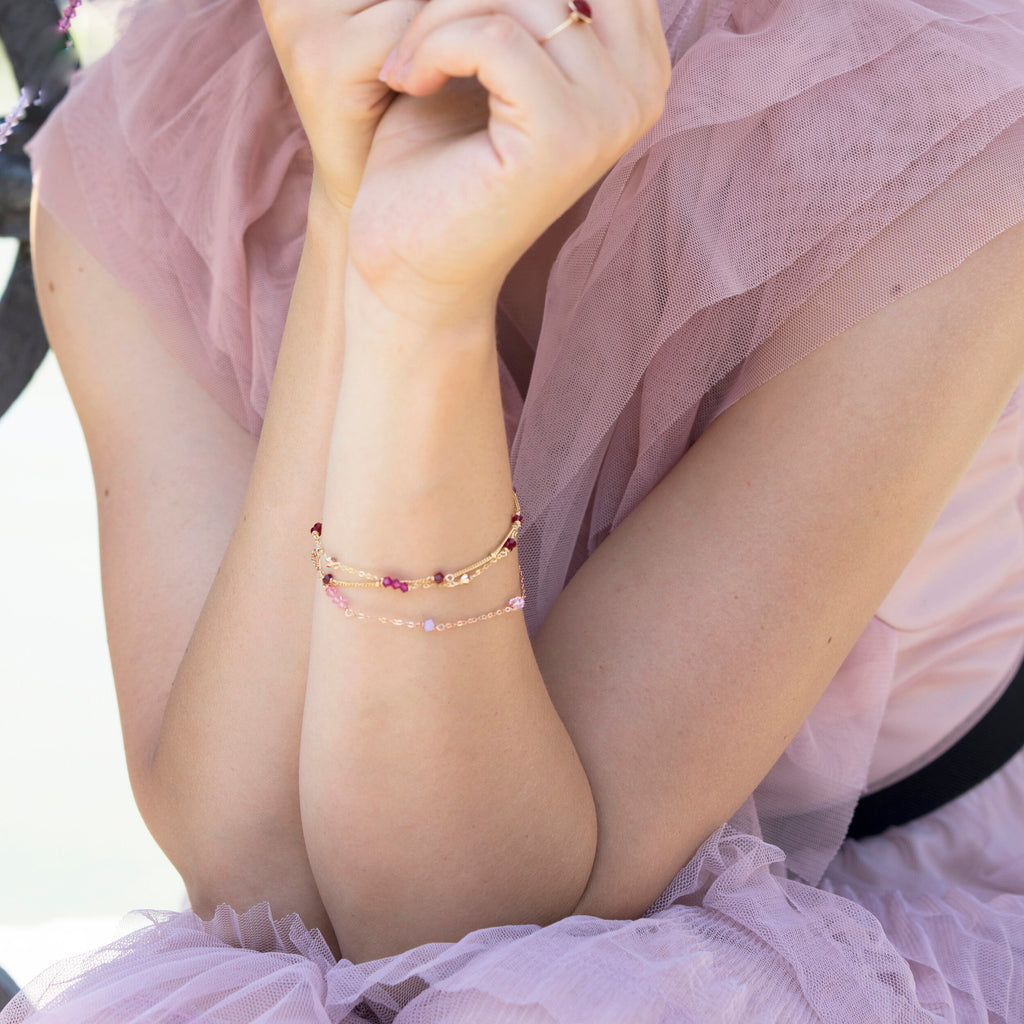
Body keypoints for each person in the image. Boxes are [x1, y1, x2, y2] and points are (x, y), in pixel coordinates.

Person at [5, 0, 1024, 1018]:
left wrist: (420, 311)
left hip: (916, 911)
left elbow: (471, 915)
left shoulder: (949, 100)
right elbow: (255, 875)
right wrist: (361, 236)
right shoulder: (141, 153)